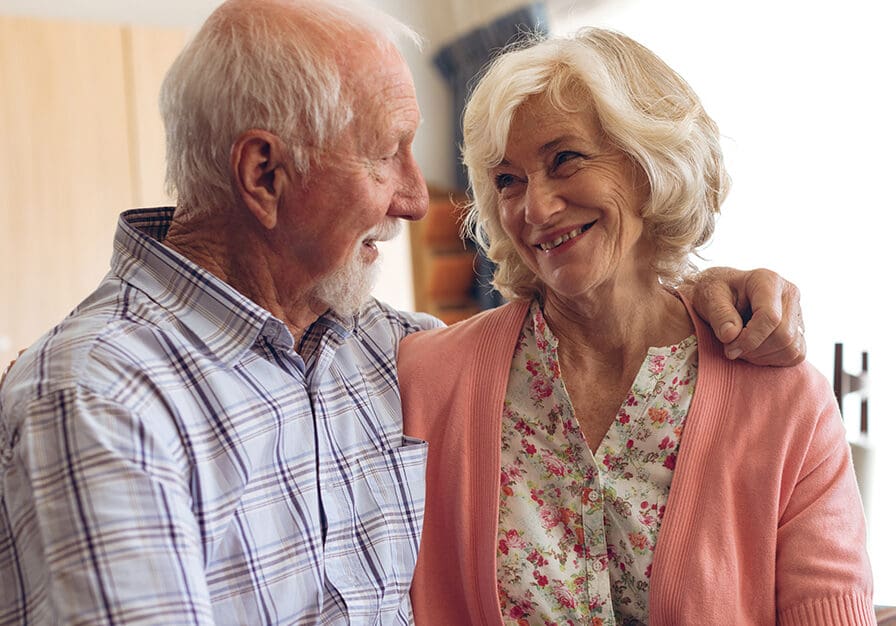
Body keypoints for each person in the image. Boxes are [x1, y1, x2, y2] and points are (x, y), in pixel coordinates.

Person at [0, 1, 804, 623]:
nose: (419, 201)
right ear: (264, 175)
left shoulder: (376, 350)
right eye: (388, 153)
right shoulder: (99, 398)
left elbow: (568, 329)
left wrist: (700, 291)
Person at [398, 28, 873, 626]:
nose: (536, 209)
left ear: (651, 165)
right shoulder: (428, 380)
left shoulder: (781, 396)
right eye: (507, 180)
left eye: (564, 159)